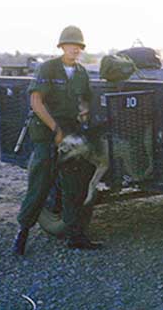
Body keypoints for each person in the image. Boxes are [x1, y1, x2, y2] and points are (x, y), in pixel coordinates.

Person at [12, 25, 101, 254]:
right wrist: (55, 129)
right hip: (47, 133)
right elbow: (36, 102)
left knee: (76, 186)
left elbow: (84, 99)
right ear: (62, 46)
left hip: (70, 134)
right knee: (40, 184)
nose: (75, 49)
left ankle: (76, 235)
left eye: (79, 46)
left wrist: (84, 112)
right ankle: (22, 233)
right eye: (71, 45)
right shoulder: (48, 68)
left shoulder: (80, 72)